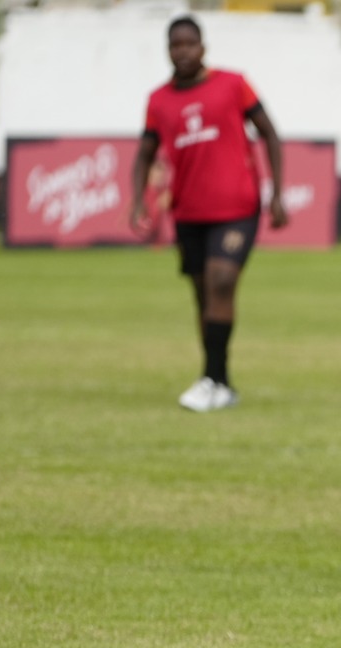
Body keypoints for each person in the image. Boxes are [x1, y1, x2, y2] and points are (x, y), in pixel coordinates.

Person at [130, 15, 288, 413]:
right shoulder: (158, 100)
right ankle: (221, 381)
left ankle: (209, 380)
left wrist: (277, 194)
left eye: (189, 44)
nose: (182, 52)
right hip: (189, 212)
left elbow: (269, 132)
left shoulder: (233, 84)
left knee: (221, 281)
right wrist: (137, 200)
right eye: (175, 45)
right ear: (168, 50)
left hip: (237, 207)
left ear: (203, 47)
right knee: (203, 296)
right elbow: (144, 154)